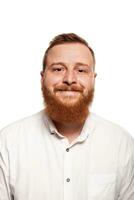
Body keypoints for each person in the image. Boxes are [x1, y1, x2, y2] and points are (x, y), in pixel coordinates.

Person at [0, 33, 134, 200]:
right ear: (42, 79)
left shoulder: (123, 145)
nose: (70, 79)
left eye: (81, 70)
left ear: (93, 79)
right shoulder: (7, 142)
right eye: (58, 69)